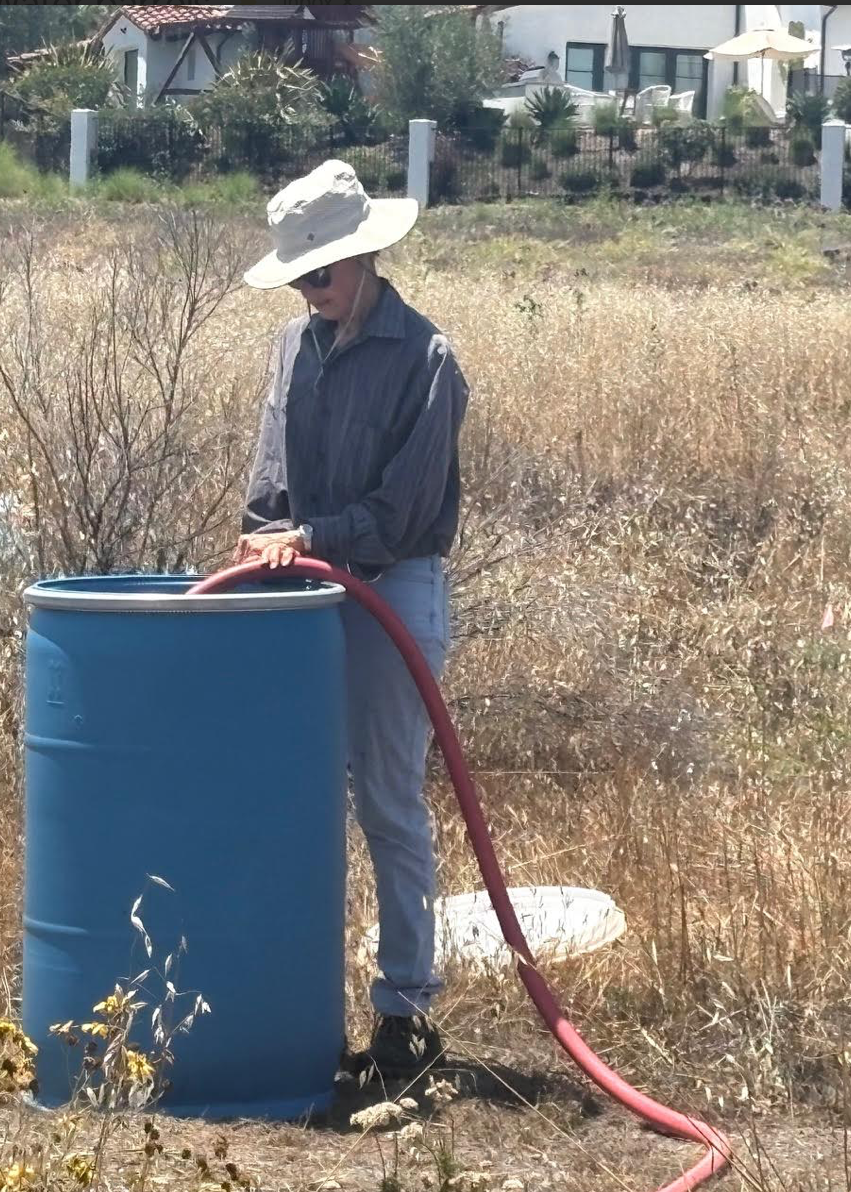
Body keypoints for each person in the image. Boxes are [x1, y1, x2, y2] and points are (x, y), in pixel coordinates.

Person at [236, 160, 469, 1082]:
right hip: (300, 582)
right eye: (299, 274)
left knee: (384, 798)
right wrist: (267, 544)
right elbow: (267, 472)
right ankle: (292, 1004)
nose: (308, 288)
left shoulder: (427, 360)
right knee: (288, 798)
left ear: (367, 258)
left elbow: (401, 516)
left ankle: (405, 1012)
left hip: (388, 587)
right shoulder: (294, 348)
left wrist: (311, 537)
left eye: (320, 272)